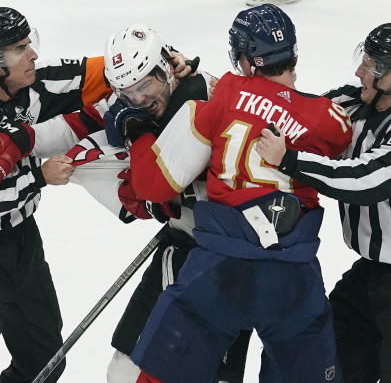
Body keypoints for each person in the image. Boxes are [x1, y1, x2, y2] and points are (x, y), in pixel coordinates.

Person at [122, 4, 352, 383]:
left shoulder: (223, 94)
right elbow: (335, 133)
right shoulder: (328, 118)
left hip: (219, 271)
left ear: (245, 60)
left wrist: (139, 130)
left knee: (163, 374)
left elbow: (151, 185)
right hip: (293, 276)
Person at [256, 23, 391, 383]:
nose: (358, 72)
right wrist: (200, 82)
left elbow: (365, 179)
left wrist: (289, 159)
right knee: (320, 365)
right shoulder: (352, 102)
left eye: (369, 66)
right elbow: (283, 106)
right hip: (370, 275)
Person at [0, 7, 111, 382]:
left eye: (31, 43)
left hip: (22, 242)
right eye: (19, 48)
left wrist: (168, 60)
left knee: (45, 361)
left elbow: (117, 70)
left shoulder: (36, 82)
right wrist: (38, 179)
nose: (34, 56)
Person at [64, 24, 254, 383]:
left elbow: (157, 189)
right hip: (207, 246)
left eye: (144, 86)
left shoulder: (201, 99)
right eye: (127, 91)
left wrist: (138, 138)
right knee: (134, 367)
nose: (138, 99)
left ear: (166, 68)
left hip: (207, 252)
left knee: (136, 370)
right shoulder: (179, 87)